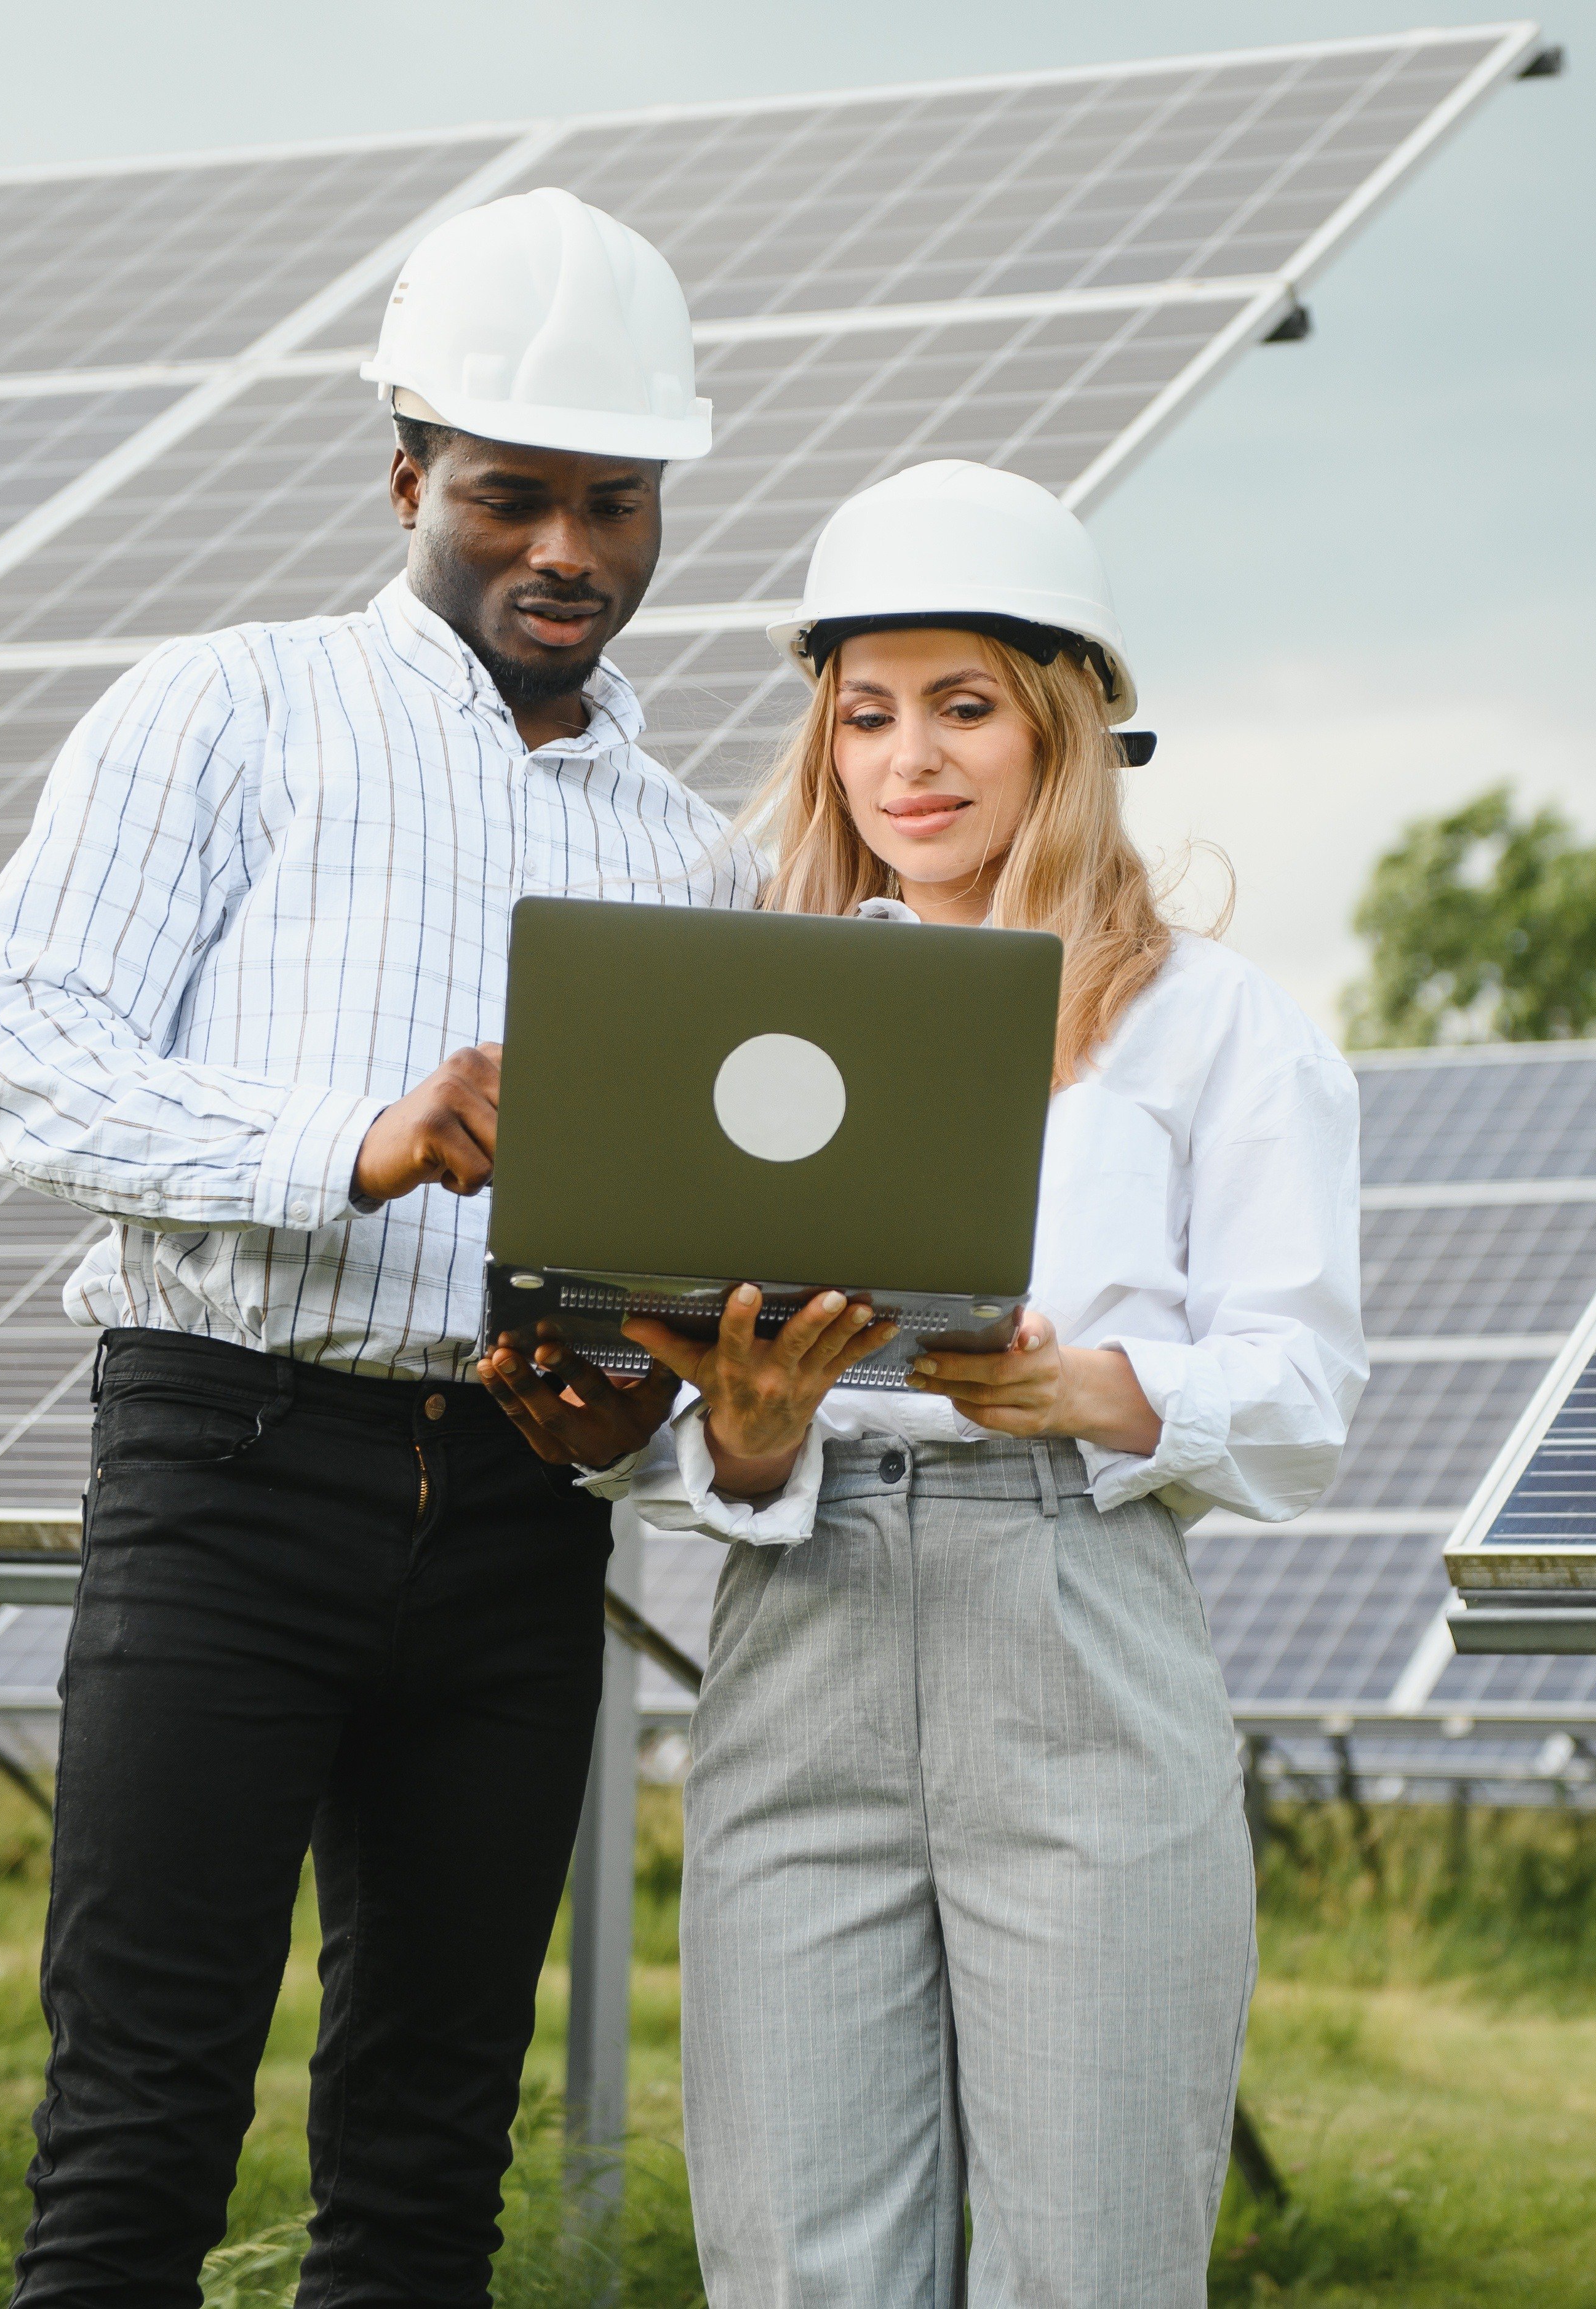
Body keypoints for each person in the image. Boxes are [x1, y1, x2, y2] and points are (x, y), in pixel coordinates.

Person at [0, 187, 749, 2307]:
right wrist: (354, 1141)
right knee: (138, 2131)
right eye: (511, 494)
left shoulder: (702, 855)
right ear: (407, 477)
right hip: (226, 1470)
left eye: (614, 502)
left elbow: (688, 1253)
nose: (567, 548)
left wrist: (638, 1390)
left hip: (514, 1520)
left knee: (427, 2156)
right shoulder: (224, 712)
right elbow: (2, 1063)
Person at [478, 458, 1365, 2307]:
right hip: (798, 1619)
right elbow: (676, 1400)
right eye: (867, 714)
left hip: (1073, 1617)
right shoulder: (745, 1011)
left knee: (1095, 2258)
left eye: (964, 707)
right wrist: (738, 1437)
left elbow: (1300, 1386)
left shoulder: (1215, 1025)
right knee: (802, 2261)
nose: (913, 759)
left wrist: (1095, 1392)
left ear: (1065, 725)